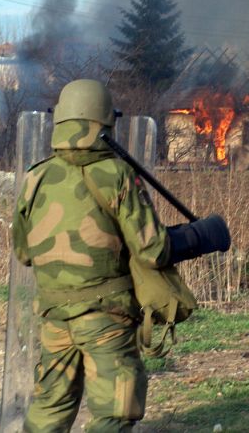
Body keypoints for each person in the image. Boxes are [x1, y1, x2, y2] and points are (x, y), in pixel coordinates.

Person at [12, 79, 170, 432]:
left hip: (54, 316)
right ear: (104, 122)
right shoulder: (118, 174)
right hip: (105, 318)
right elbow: (153, 249)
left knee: (50, 407)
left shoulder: (35, 178)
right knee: (114, 410)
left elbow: (23, 252)